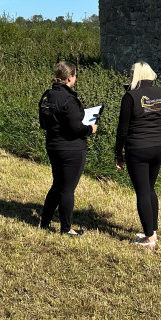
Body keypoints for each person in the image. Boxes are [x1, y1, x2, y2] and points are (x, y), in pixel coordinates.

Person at [114, 62, 161, 248]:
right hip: (158, 146)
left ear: (135, 75)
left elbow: (122, 130)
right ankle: (152, 230)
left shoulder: (130, 96)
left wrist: (118, 153)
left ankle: (149, 238)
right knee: (150, 188)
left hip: (137, 148)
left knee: (142, 191)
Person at [38, 60, 97, 236]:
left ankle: (45, 221)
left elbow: (44, 123)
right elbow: (76, 128)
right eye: (75, 75)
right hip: (72, 149)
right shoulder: (69, 99)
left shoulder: (47, 96)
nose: (75, 78)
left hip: (53, 145)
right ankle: (66, 229)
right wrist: (90, 129)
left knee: (57, 185)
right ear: (70, 78)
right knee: (67, 189)